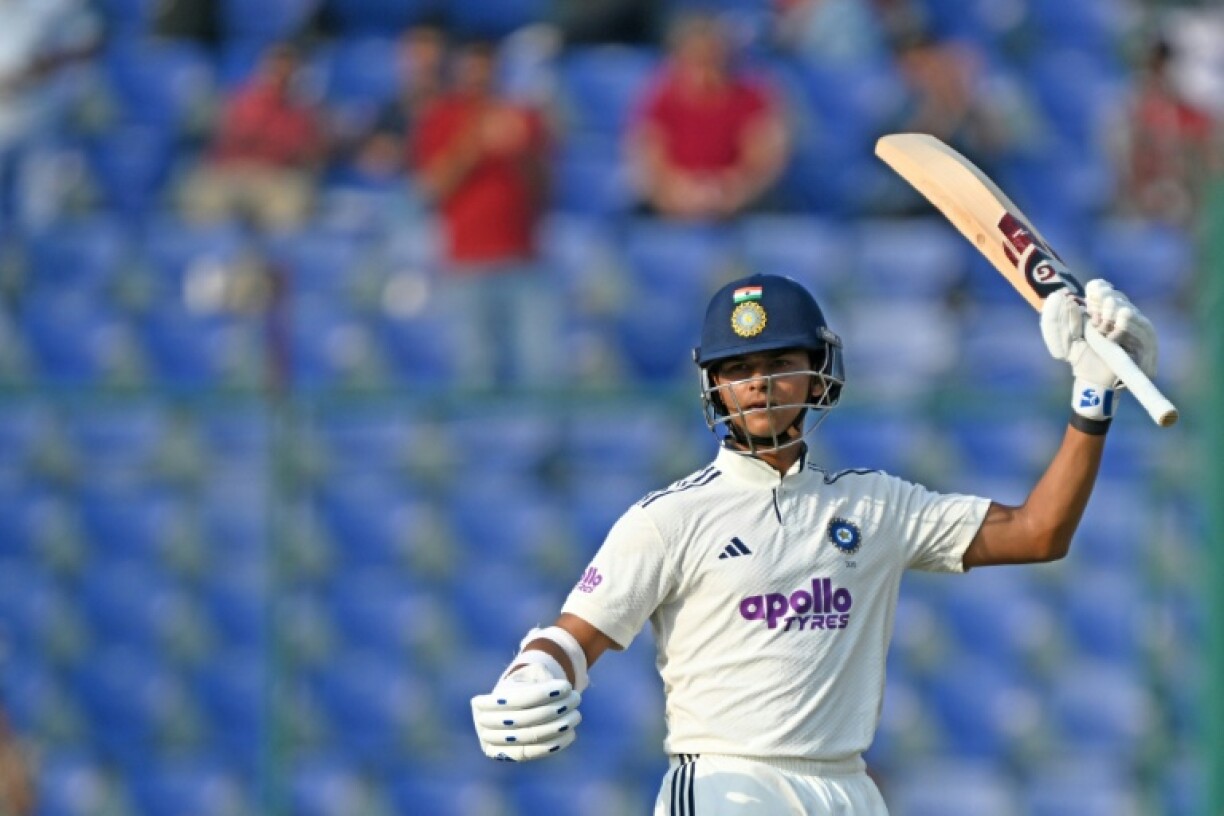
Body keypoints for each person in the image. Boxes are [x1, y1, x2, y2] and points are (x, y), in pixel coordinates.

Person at [470, 271, 1158, 813]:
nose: (761, 384)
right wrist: (534, 671)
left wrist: (1092, 395)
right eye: (739, 368)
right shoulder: (669, 518)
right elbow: (573, 635)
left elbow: (1039, 533)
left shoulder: (875, 503)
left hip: (847, 789)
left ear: (817, 368)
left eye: (779, 360)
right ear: (713, 384)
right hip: (726, 789)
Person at [408, 37, 557, 389]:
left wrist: (521, 151)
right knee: (475, 370)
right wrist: (474, 143)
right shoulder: (442, 117)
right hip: (467, 264)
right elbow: (432, 187)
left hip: (524, 261)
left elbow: (546, 191)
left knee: (539, 368)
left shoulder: (524, 117)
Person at [625, 13, 790, 221]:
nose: (704, 72)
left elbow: (764, 164)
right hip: (673, 205)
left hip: (736, 208)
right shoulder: (660, 97)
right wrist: (676, 193)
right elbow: (647, 157)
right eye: (696, 62)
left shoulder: (753, 98)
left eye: (711, 61)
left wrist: (729, 192)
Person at [175, 41, 326, 232]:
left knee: (288, 209)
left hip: (275, 177)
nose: (280, 75)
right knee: (200, 201)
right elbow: (233, 135)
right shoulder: (239, 99)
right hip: (230, 173)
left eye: (288, 70)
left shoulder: (303, 111)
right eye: (275, 68)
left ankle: (270, 259)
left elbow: (306, 153)